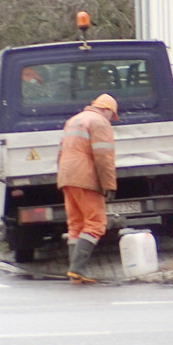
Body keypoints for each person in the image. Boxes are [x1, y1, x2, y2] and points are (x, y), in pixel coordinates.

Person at [57, 93, 119, 284]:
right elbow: (103, 157)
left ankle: (75, 272)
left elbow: (61, 151)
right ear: (107, 110)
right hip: (85, 177)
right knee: (95, 223)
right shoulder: (99, 122)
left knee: (76, 224)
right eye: (112, 116)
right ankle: (77, 269)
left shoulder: (74, 120)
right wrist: (109, 184)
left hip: (67, 176)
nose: (112, 120)